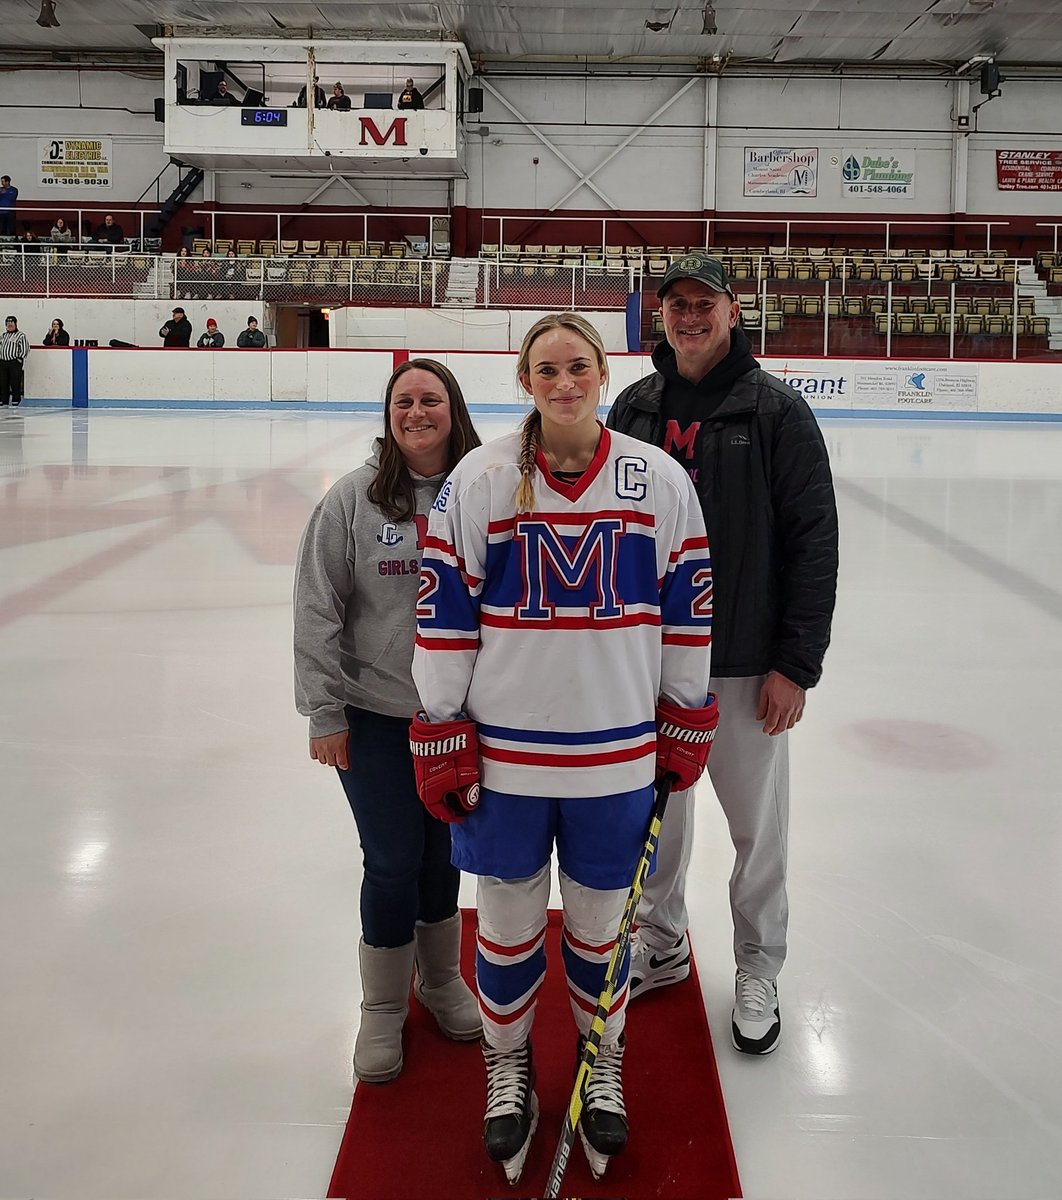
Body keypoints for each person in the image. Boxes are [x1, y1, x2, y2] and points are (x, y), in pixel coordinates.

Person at [410, 313, 717, 1184]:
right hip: (505, 762)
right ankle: (507, 1064)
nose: (564, 381)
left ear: (601, 371)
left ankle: (600, 1059)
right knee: (506, 930)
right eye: (546, 368)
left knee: (599, 929)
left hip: (615, 758)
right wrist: (441, 728)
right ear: (525, 379)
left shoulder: (657, 480)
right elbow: (442, 615)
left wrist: (685, 713)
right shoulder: (479, 479)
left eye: (577, 365)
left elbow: (689, 608)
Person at [606, 252, 839, 1056]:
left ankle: (757, 964)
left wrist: (795, 666)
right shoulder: (635, 406)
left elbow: (814, 543)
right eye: (677, 304)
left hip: (744, 662)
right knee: (658, 819)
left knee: (757, 829)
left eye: (705, 303)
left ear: (733, 312)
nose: (690, 317)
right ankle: (661, 943)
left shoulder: (775, 410)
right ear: (660, 315)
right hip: (649, 661)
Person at [294, 358, 483, 1085]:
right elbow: (317, 607)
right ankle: (381, 1006)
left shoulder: (486, 490)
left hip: (460, 721)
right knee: (393, 859)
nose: (416, 413)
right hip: (376, 719)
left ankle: (440, 981)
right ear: (388, 414)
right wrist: (324, 711)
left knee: (445, 858)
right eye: (403, 401)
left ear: (452, 408)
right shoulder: (353, 500)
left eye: (430, 400)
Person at [0, 315, 30, 406]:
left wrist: (19, 359)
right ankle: (3, 399)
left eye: (12, 322)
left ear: (15, 324)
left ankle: (16, 399)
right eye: (8, 322)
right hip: (3, 361)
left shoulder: (21, 335)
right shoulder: (3, 335)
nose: (10, 324)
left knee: (15, 381)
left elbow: (25, 348)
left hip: (14, 362)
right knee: (2, 381)